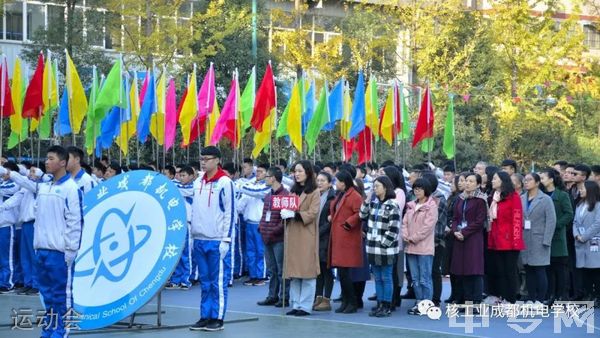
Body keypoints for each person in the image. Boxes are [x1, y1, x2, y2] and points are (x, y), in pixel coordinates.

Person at [6, 146, 83, 337]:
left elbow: (75, 223)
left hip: (60, 254)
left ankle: (61, 333)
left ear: (62, 162)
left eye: (50, 158)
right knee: (47, 297)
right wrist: (8, 173)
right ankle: (48, 332)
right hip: (41, 251)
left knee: (61, 297)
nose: (46, 162)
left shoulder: (71, 189)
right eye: (46, 159)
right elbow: (26, 182)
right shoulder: (44, 187)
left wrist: (71, 252)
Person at [189, 146, 235, 332]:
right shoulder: (198, 181)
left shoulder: (225, 182)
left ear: (217, 160)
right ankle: (205, 315)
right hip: (199, 238)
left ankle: (217, 317)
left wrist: (226, 239)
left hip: (217, 240)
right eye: (202, 159)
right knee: (205, 281)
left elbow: (230, 213)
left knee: (218, 282)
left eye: (207, 159)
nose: (203, 162)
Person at [281, 160, 320, 317]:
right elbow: (287, 208)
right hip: (292, 234)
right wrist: (284, 212)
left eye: (299, 171)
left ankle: (305, 306)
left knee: (307, 273)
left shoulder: (314, 191)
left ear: (308, 173)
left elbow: (312, 213)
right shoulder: (293, 190)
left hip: (306, 235)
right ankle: (296, 304)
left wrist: (295, 215)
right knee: (294, 273)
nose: (296, 174)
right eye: (295, 171)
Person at [361, 176, 401, 317]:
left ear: (385, 187)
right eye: (374, 186)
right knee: (377, 278)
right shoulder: (374, 204)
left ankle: (387, 305)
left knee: (386, 277)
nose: (374, 188)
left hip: (385, 248)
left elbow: (394, 229)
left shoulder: (392, 205)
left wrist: (383, 243)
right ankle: (379, 304)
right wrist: (367, 199)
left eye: (377, 186)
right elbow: (362, 214)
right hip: (372, 247)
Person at [487, 171, 525, 305]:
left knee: (510, 271)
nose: (492, 181)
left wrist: (515, 241)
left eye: (495, 179)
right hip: (497, 239)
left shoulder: (513, 197)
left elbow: (517, 219)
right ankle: (502, 297)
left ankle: (510, 299)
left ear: (503, 181)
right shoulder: (494, 197)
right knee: (500, 271)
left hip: (509, 241)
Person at [328, 170, 363, 314]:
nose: (335, 184)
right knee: (342, 273)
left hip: (348, 237)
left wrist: (348, 223)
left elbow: (359, 213)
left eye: (337, 181)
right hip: (339, 236)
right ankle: (346, 301)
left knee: (345, 273)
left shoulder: (355, 195)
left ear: (343, 182)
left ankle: (352, 302)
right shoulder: (341, 195)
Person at [451, 173, 487, 308]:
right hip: (459, 237)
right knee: (462, 269)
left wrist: (464, 232)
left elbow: (479, 221)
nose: (467, 183)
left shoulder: (481, 200)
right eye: (466, 180)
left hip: (473, 238)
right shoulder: (460, 199)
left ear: (478, 185)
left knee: (474, 270)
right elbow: (455, 218)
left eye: (471, 181)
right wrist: (455, 230)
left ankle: (476, 301)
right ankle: (467, 301)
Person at [403, 178, 438, 315]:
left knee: (425, 278)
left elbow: (428, 227)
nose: (417, 191)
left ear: (426, 190)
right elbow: (404, 223)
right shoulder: (411, 205)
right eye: (415, 189)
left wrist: (413, 238)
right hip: (411, 247)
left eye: (420, 189)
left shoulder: (432, 206)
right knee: (415, 279)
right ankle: (419, 302)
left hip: (424, 248)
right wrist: (405, 235)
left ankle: (427, 304)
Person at [520, 173, 556, 307]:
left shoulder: (545, 199)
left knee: (540, 270)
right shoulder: (521, 198)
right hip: (525, 239)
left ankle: (540, 300)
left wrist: (547, 240)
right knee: (528, 269)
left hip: (540, 239)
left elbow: (551, 221)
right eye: (525, 180)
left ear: (537, 183)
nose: (526, 182)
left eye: (529, 180)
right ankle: (531, 298)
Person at [256, 167, 290, 308]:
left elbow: (285, 220)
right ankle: (272, 295)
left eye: (267, 176)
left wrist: (274, 231)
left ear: (274, 178)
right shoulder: (268, 196)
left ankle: (284, 297)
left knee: (282, 270)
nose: (265, 178)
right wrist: (262, 228)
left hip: (278, 239)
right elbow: (265, 215)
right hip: (267, 237)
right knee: (272, 269)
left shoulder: (285, 195)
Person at [540, 169, 573, 304]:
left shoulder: (562, 195)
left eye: (543, 178)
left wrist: (556, 225)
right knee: (548, 268)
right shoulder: (540, 195)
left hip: (558, 236)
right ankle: (551, 295)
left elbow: (569, 214)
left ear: (551, 179)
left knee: (560, 268)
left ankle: (563, 296)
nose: (541, 180)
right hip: (542, 235)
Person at [238, 163, 270, 286]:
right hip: (249, 223)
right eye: (257, 171)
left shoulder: (267, 187)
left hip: (260, 223)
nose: (258, 174)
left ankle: (261, 275)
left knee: (260, 251)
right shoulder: (251, 185)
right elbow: (242, 202)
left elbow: (256, 193)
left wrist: (241, 186)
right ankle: (253, 275)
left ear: (267, 174)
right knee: (250, 251)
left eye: (261, 172)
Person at [382, 166, 407, 310]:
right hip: (381, 236)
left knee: (393, 270)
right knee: (385, 270)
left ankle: (394, 298)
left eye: (384, 175)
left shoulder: (399, 192)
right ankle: (386, 298)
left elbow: (393, 209)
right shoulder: (381, 193)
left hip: (394, 236)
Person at [167, 166, 195, 290]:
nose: (181, 177)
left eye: (183, 175)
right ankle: (176, 279)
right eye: (180, 175)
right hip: (177, 224)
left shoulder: (193, 187)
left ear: (191, 176)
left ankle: (186, 279)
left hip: (188, 225)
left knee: (186, 254)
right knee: (176, 253)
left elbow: (185, 190)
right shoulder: (176, 186)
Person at [573, 180, 600, 308]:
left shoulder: (598, 205)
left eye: (583, 188)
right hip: (580, 241)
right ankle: (588, 295)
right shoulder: (579, 205)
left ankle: (597, 296)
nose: (580, 191)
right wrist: (577, 235)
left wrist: (584, 236)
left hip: (593, 242)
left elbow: (597, 224)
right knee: (585, 271)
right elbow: (575, 222)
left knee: (595, 270)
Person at [313, 171, 336, 311]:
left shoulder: (332, 198)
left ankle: (327, 299)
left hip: (326, 239)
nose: (319, 183)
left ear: (329, 183)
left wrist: (318, 232)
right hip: (315, 237)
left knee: (326, 270)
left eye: (323, 180)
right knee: (318, 270)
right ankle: (318, 297)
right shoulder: (316, 196)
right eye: (318, 180)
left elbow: (331, 220)